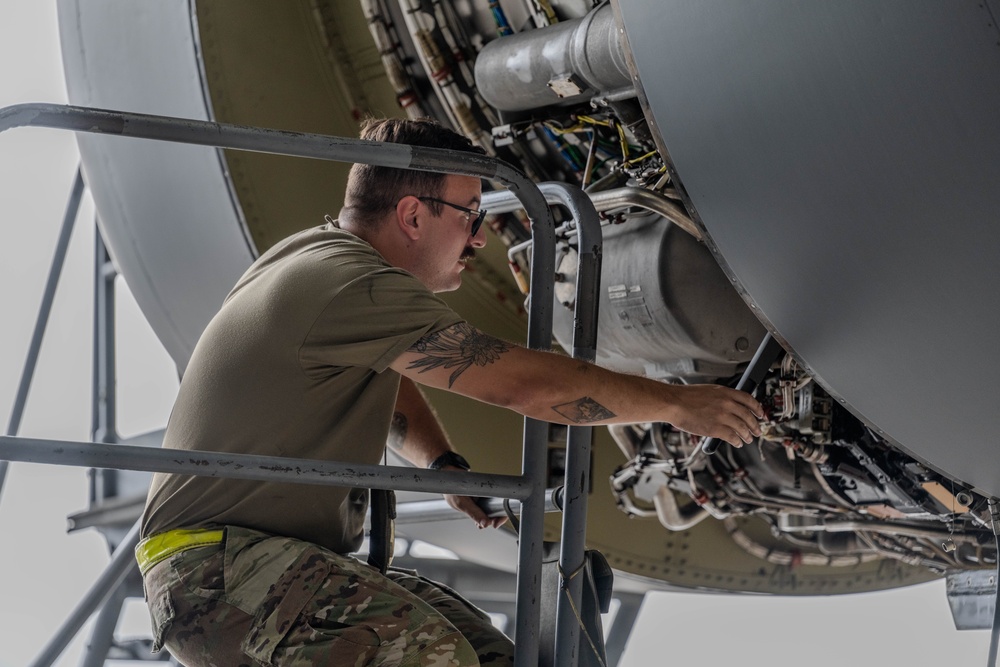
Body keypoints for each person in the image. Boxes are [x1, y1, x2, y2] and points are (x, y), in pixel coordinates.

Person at [137, 117, 763, 667]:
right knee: (438, 659)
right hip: (215, 572)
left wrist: (442, 465)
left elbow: (389, 373)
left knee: (488, 657)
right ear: (413, 214)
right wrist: (681, 404)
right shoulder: (351, 283)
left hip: (258, 560)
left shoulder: (322, 263)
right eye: (473, 216)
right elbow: (521, 385)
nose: (480, 240)